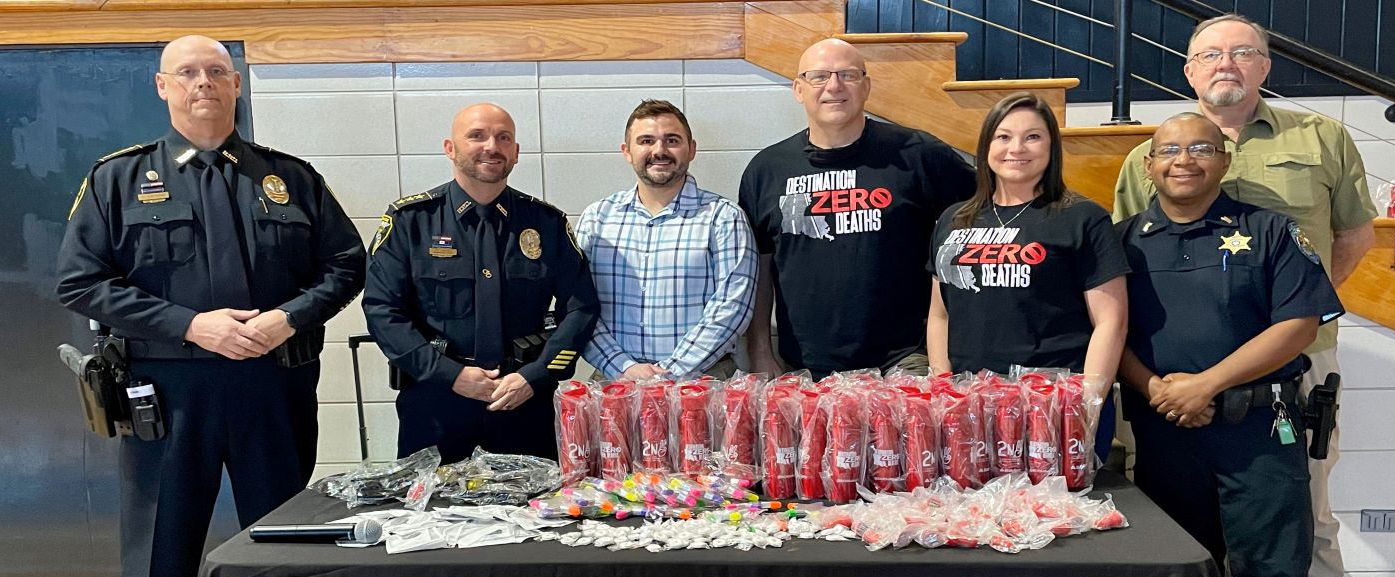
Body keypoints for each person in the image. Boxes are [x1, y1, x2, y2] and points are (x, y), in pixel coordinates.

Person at [54, 35, 366, 577]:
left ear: (237, 84)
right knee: (160, 551)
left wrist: (288, 318)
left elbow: (345, 265)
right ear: (162, 86)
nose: (204, 83)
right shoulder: (117, 179)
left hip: (273, 385)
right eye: (188, 72)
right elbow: (81, 282)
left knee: (285, 548)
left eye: (217, 72)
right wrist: (191, 324)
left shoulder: (292, 178)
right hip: (169, 390)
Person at [1112, 15, 1376, 577]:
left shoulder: (1320, 139)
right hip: (1164, 401)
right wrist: (1163, 387)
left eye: (1241, 52)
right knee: (1175, 545)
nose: (1224, 64)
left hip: (1288, 375)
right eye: (1209, 55)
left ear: (1265, 65)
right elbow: (1123, 286)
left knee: (1305, 519)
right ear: (1188, 70)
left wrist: (1289, 307)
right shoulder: (1138, 166)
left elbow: (1356, 235)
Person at [362, 103, 598, 463]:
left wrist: (536, 375)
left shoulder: (546, 223)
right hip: (436, 401)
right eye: (477, 135)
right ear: (450, 148)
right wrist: (449, 374)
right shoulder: (410, 221)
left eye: (504, 138)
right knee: (431, 515)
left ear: (515, 153)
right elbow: (382, 310)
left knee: (534, 515)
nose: (491, 146)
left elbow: (581, 308)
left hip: (524, 401)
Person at [739, 38, 977, 378]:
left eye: (848, 75)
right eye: (819, 76)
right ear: (798, 89)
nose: (834, 86)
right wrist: (760, 350)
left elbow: (989, 213)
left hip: (904, 362)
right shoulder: (766, 170)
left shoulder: (918, 154)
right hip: (803, 369)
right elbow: (759, 269)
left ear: (866, 87)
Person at [926, 92, 1129, 461]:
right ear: (987, 144)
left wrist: (1087, 405)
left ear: (1052, 147)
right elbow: (940, 313)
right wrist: (944, 388)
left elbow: (1111, 323)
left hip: (1053, 407)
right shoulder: (954, 220)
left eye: (1032, 136)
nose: (1016, 148)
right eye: (1003, 136)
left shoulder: (1083, 218)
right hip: (972, 405)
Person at [576, 100, 757, 380]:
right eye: (646, 141)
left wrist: (670, 372)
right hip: (614, 380)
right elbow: (579, 305)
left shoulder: (723, 217)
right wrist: (622, 367)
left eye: (671, 140)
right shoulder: (596, 219)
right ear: (627, 151)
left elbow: (733, 307)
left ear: (691, 149)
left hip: (703, 381)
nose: (659, 150)